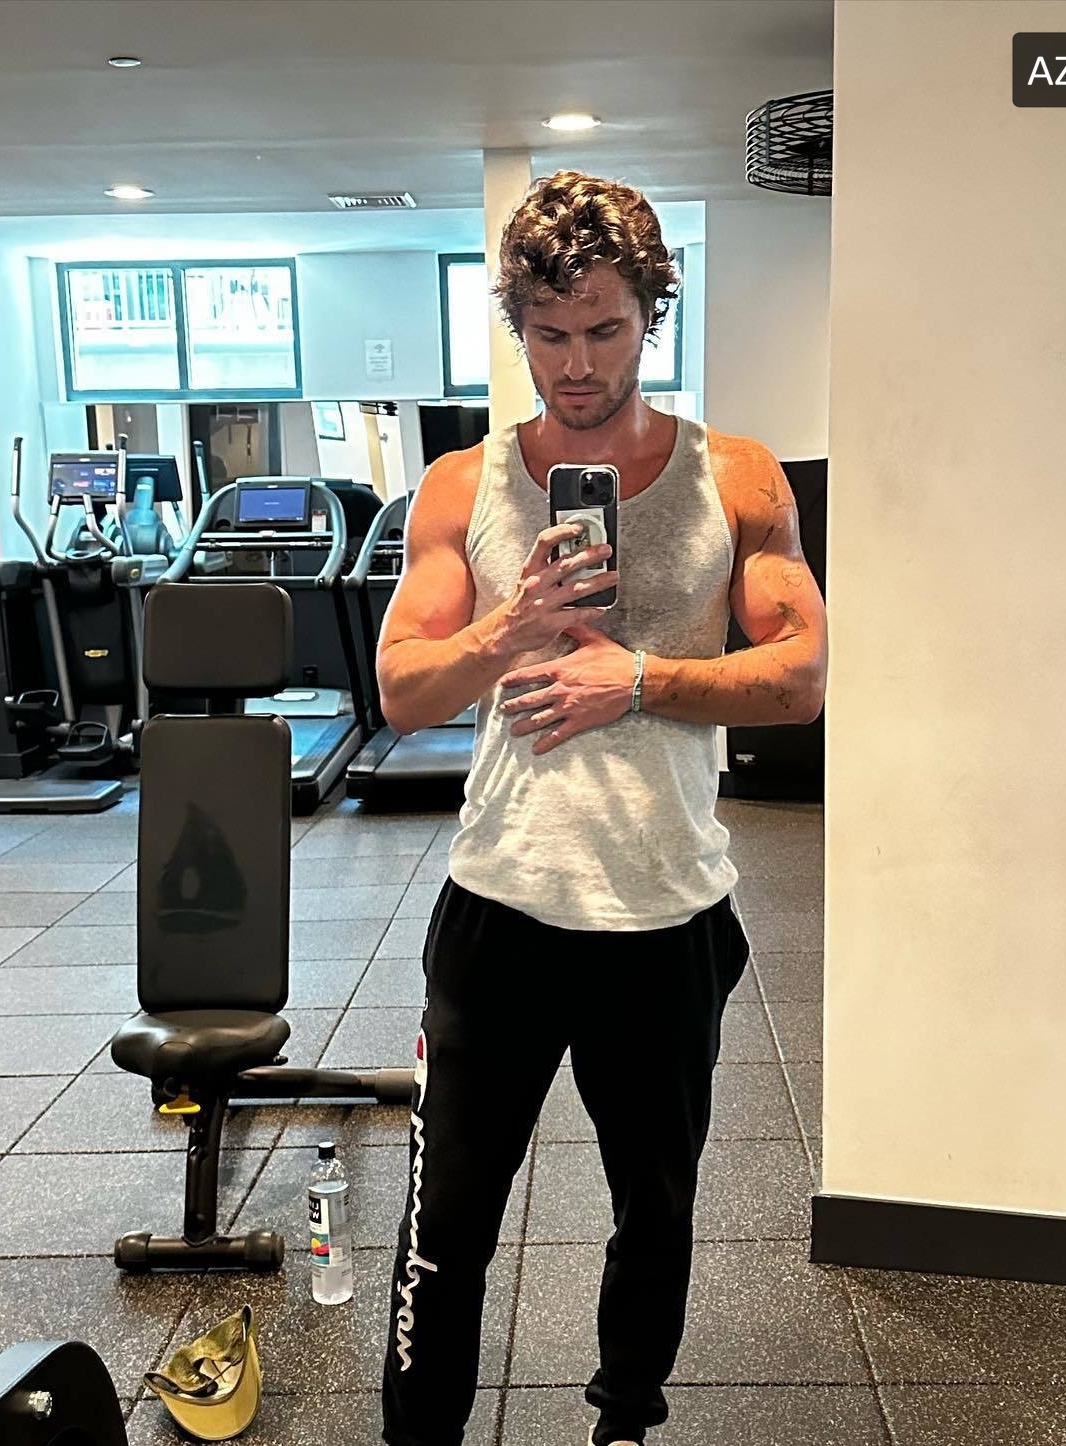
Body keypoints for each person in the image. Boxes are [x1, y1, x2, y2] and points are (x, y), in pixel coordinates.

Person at [378, 170, 828, 1446]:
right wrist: (511, 628)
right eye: (550, 334)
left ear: (651, 317)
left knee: (656, 1211)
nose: (577, 365)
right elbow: (402, 690)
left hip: (665, 915)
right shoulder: (461, 486)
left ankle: (624, 1426)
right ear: (517, 328)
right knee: (447, 1223)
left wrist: (636, 680)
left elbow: (801, 677)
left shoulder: (737, 478)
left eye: (605, 330)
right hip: (502, 907)